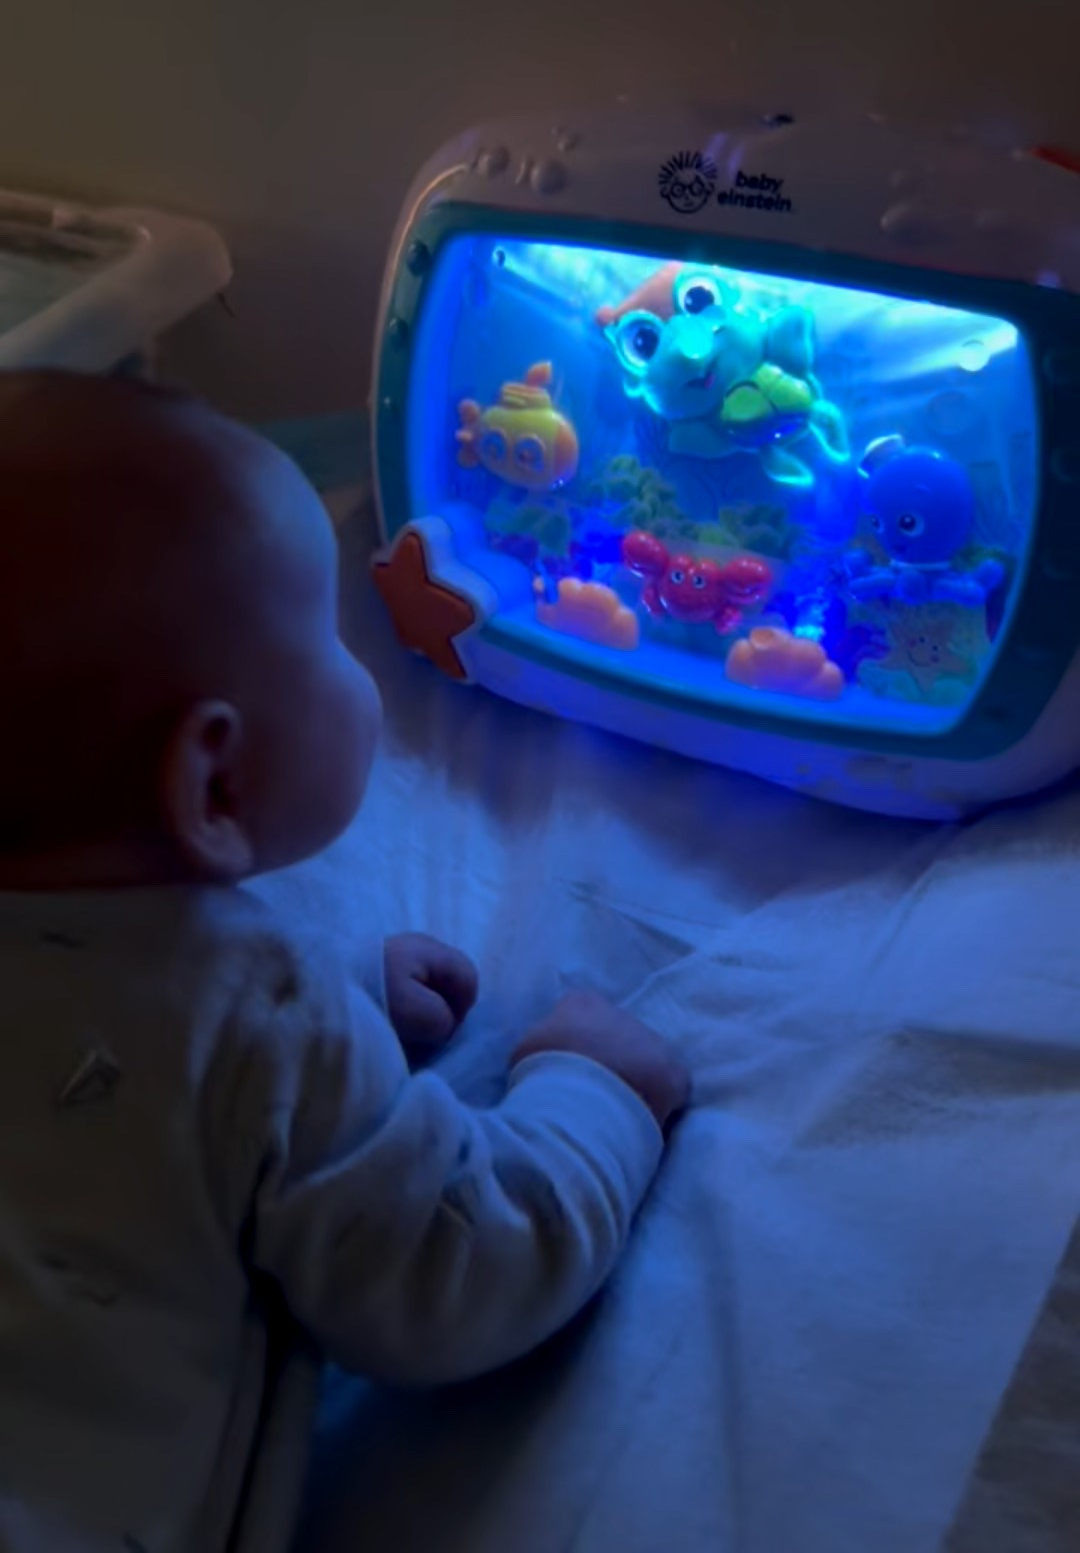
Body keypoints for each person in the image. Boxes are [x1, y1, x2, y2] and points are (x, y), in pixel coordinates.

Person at [0, 370, 690, 1553]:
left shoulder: (261, 1015)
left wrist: (350, 994)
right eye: (329, 637)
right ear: (214, 784)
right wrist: (595, 1093)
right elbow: (456, 1267)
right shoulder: (256, 1014)